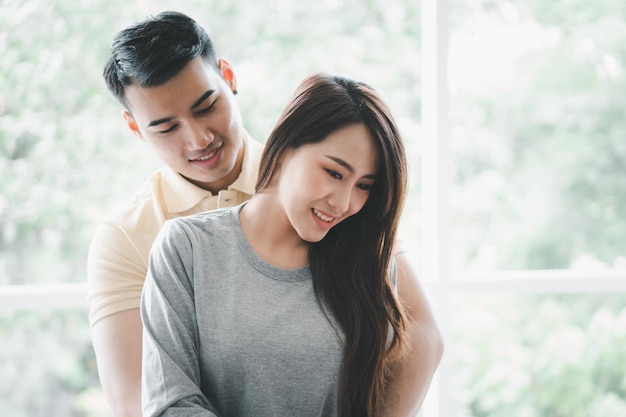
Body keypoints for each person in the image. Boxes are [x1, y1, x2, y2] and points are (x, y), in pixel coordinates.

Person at [141, 73, 443, 417]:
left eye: (364, 185)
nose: (344, 202)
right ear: (286, 147)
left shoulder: (368, 260)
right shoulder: (187, 248)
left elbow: (424, 344)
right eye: (334, 173)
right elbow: (171, 404)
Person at [86, 11, 264, 417]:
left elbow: (415, 336)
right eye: (167, 128)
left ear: (229, 77)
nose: (199, 139)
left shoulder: (324, 184)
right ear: (135, 128)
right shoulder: (124, 238)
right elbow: (134, 401)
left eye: (206, 106)